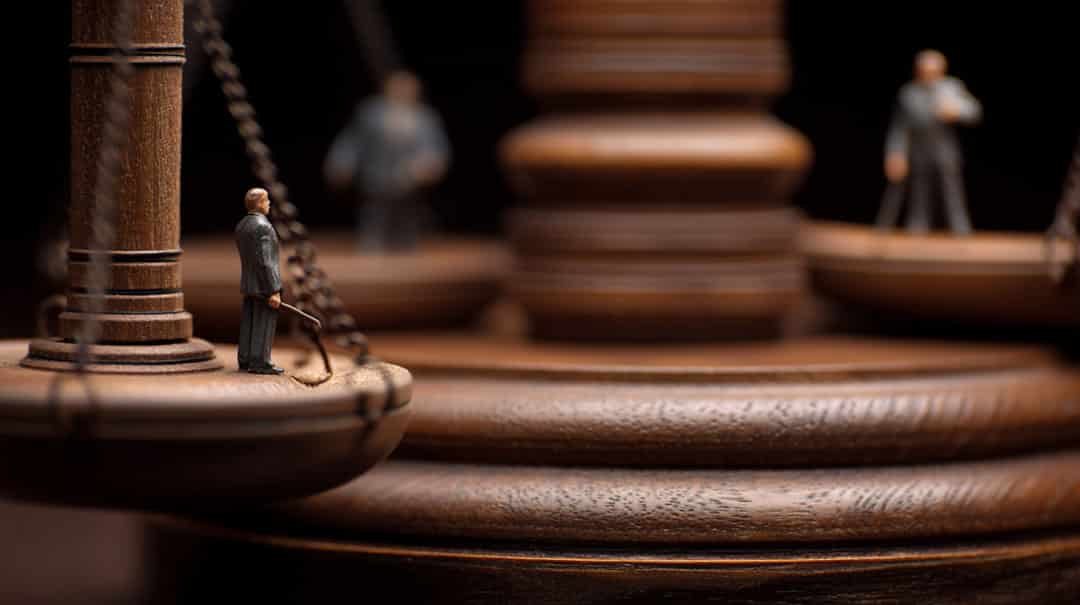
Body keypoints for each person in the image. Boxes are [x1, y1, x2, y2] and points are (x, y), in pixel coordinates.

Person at [324, 71, 450, 252]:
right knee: (374, 217)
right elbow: (352, 141)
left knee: (406, 219)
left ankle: (406, 254)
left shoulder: (425, 119)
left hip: (409, 181)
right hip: (377, 178)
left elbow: (435, 147)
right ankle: (371, 251)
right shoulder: (370, 115)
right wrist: (341, 162)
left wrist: (430, 164)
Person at [878, 50, 982, 235]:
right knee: (919, 191)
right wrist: (895, 153)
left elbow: (974, 111)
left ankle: (960, 228)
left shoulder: (951, 88)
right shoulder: (908, 94)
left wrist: (956, 111)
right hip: (918, 150)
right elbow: (900, 128)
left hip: (944, 149)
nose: (930, 76)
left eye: (935, 72)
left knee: (951, 190)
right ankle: (918, 226)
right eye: (925, 71)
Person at [235, 187, 283, 375]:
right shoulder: (263, 226)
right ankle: (261, 361)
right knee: (263, 323)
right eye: (267, 200)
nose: (269, 203)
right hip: (263, 286)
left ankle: (245, 358)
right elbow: (265, 261)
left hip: (248, 283)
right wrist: (273, 289)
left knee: (249, 321)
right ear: (260, 203)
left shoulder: (241, 226)